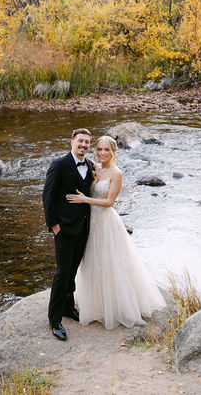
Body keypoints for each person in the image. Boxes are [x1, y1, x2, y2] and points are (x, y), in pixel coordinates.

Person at [66, 135, 165, 329]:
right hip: (90, 221)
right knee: (92, 259)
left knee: (110, 261)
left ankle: (115, 305)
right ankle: (94, 303)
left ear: (113, 152)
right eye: (100, 149)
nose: (102, 153)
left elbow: (109, 202)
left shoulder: (116, 173)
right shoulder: (95, 168)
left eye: (106, 150)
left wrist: (85, 200)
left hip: (106, 220)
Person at [42, 128, 94, 341]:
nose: (83, 145)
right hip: (63, 229)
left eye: (87, 142)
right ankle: (54, 321)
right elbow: (48, 195)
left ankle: (67, 306)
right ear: (72, 141)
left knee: (73, 270)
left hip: (82, 229)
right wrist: (54, 225)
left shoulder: (90, 166)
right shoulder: (59, 164)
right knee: (62, 273)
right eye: (80, 141)